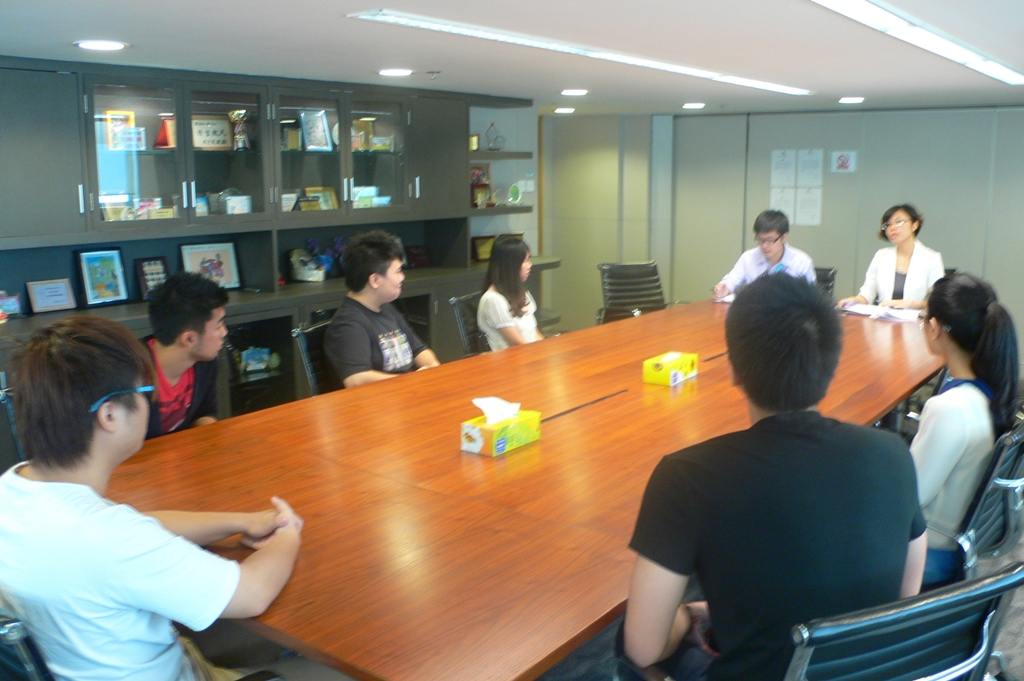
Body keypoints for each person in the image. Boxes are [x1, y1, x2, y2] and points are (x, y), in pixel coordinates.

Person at [624, 275, 926, 681]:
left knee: (628, 643)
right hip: (867, 671)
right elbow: (905, 594)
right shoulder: (894, 454)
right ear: (831, 364)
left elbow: (643, 646)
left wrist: (685, 617)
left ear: (733, 368)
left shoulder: (686, 477)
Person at [0, 315, 303, 681]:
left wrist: (241, 521)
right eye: (146, 394)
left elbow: (140, 525)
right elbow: (252, 593)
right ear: (109, 414)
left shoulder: (15, 489)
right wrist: (288, 533)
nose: (152, 404)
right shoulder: (111, 539)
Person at [911, 273, 1019, 586]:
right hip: (954, 545)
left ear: (934, 328)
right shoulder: (991, 391)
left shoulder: (949, 409)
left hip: (929, 554)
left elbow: (909, 498)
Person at [325, 230, 440, 388]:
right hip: (380, 399)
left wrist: (432, 367)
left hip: (407, 392)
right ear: (375, 280)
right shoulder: (348, 325)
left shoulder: (386, 308)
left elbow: (419, 350)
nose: (402, 277)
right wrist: (409, 381)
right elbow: (356, 380)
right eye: (398, 271)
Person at [145, 271, 229, 439]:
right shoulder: (132, 375)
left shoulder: (204, 362)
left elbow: (205, 412)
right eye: (218, 326)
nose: (224, 332)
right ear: (189, 339)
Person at [838, 204, 944, 310]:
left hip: (915, 318)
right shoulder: (881, 256)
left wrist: (911, 304)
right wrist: (854, 301)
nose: (892, 228)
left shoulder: (932, 259)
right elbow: (867, 294)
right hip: (884, 317)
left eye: (899, 222)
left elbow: (939, 302)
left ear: (914, 225)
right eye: (888, 225)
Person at [712, 210, 815, 300]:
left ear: (784, 237)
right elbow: (732, 279)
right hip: (755, 312)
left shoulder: (801, 262)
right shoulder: (748, 257)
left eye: (770, 240)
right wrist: (724, 288)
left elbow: (811, 298)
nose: (764, 245)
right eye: (760, 239)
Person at [477, 235, 544, 351]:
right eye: (526, 260)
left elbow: (535, 334)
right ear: (511, 265)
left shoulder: (521, 292)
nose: (530, 265)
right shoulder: (493, 300)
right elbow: (518, 344)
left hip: (531, 355)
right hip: (514, 359)